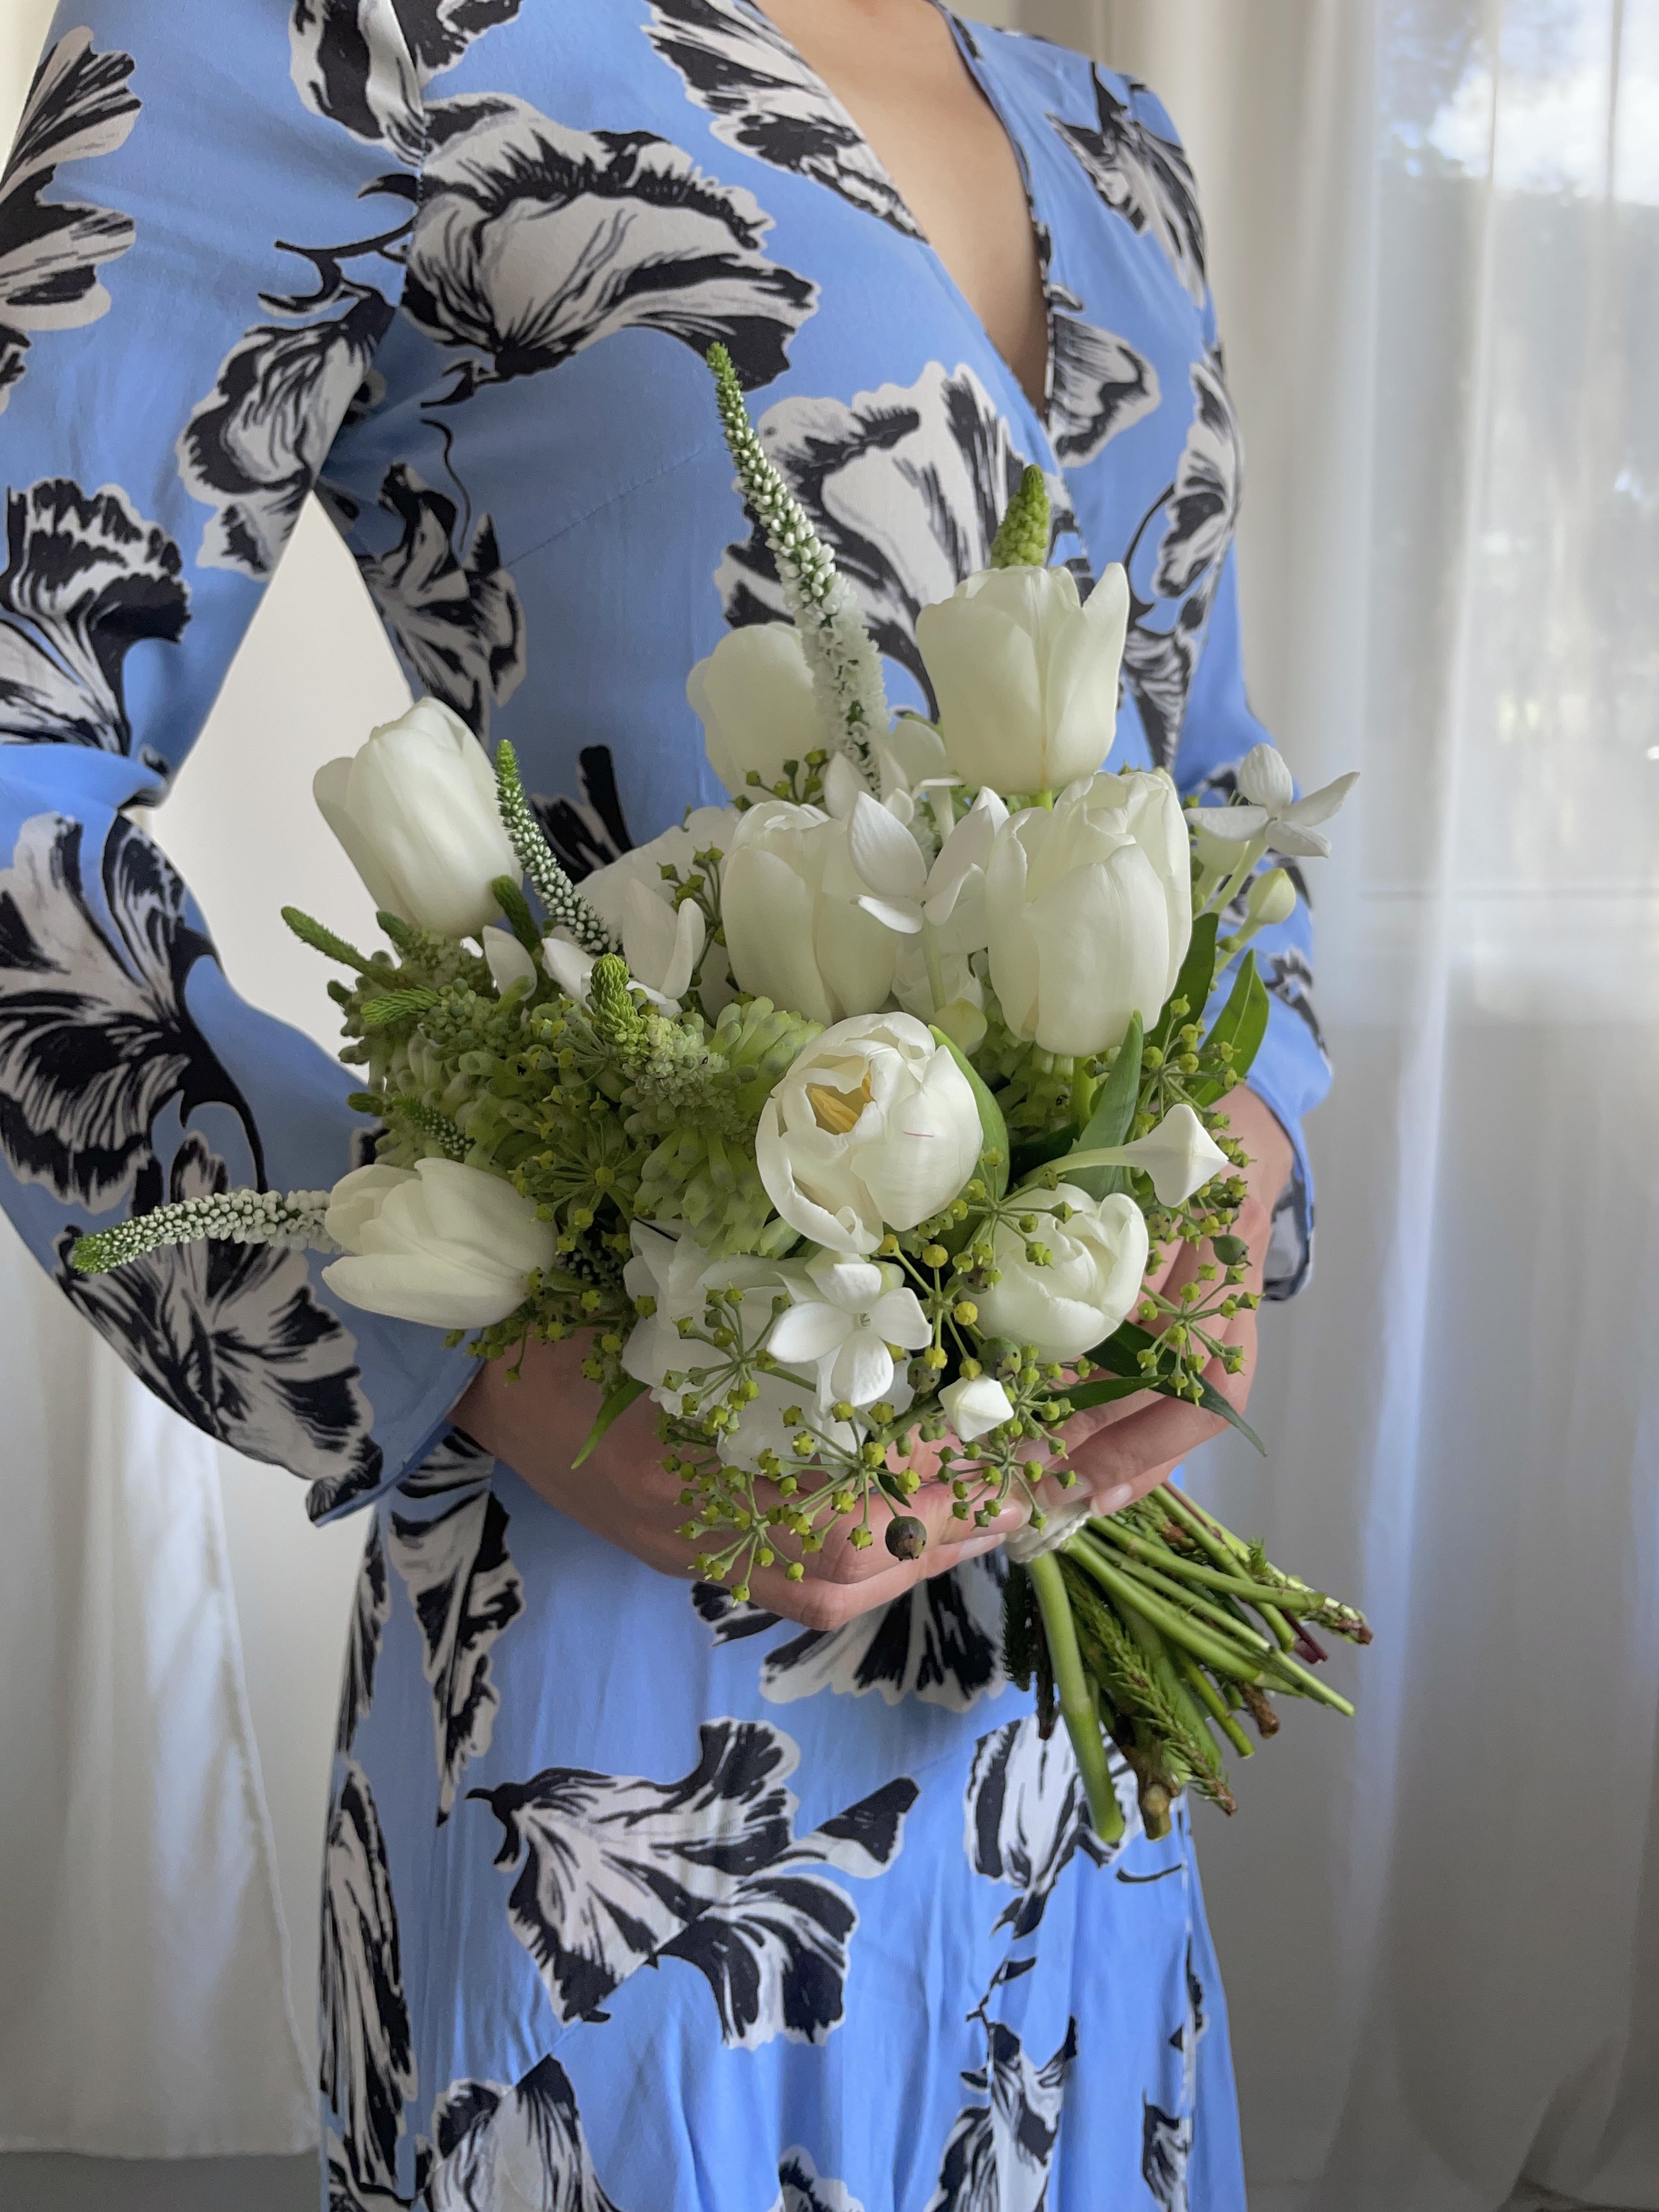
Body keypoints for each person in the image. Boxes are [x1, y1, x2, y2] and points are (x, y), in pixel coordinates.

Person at [0, 2, 1325, 2204]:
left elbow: (1204, 775)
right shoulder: (325, 36)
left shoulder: (1110, 141)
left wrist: (1233, 1150)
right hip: (630, 1586)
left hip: (1059, 1604)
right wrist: (458, 1329)